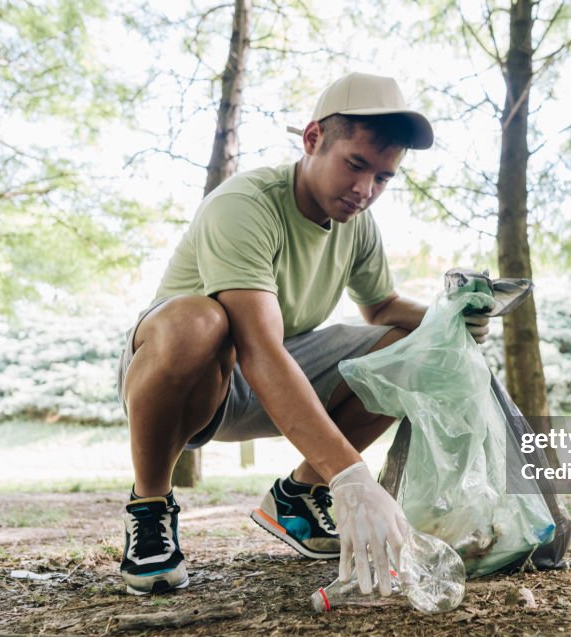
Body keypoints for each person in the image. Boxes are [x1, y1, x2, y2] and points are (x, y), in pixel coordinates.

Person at [114, 73, 490, 597]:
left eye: (383, 178)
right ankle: (150, 504)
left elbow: (381, 306)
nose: (365, 190)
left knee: (417, 345)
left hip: (277, 365)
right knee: (202, 320)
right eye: (355, 165)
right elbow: (258, 347)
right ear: (313, 140)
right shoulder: (245, 204)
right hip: (191, 372)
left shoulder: (356, 223)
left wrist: (450, 319)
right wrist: (353, 477)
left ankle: (298, 497)